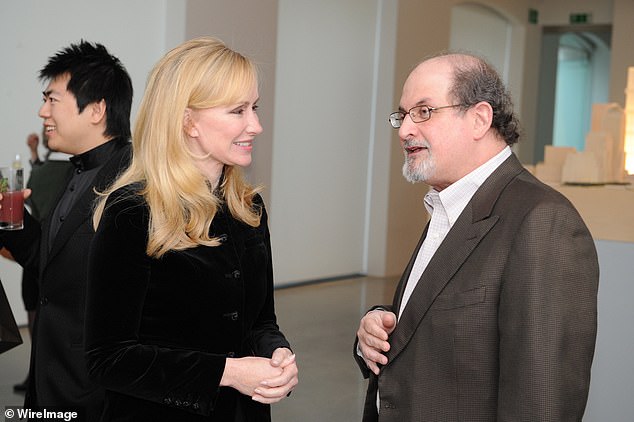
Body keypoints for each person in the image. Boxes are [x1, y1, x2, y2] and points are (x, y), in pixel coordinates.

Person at [354, 52, 599, 421]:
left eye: (423, 111)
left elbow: (542, 401)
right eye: (402, 115)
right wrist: (381, 324)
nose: (405, 130)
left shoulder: (543, 221)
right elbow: (451, 322)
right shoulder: (450, 205)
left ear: (479, 118)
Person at [84, 36, 298, 421]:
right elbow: (107, 358)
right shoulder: (133, 212)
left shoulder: (247, 207)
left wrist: (275, 351)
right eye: (238, 110)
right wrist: (230, 373)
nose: (257, 125)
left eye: (255, 107)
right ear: (188, 121)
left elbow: (260, 320)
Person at [0, 40, 133, 420]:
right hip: (49, 386)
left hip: (93, 396)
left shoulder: (132, 185)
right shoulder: (74, 171)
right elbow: (49, 262)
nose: (42, 112)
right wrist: (9, 220)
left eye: (52, 99)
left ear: (96, 109)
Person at [12, 131, 73, 394]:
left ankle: (40, 377)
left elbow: (41, 188)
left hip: (50, 249)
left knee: (42, 317)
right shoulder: (59, 164)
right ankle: (36, 375)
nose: (45, 115)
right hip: (41, 248)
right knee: (35, 312)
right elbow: (42, 175)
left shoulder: (72, 166)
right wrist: (35, 154)